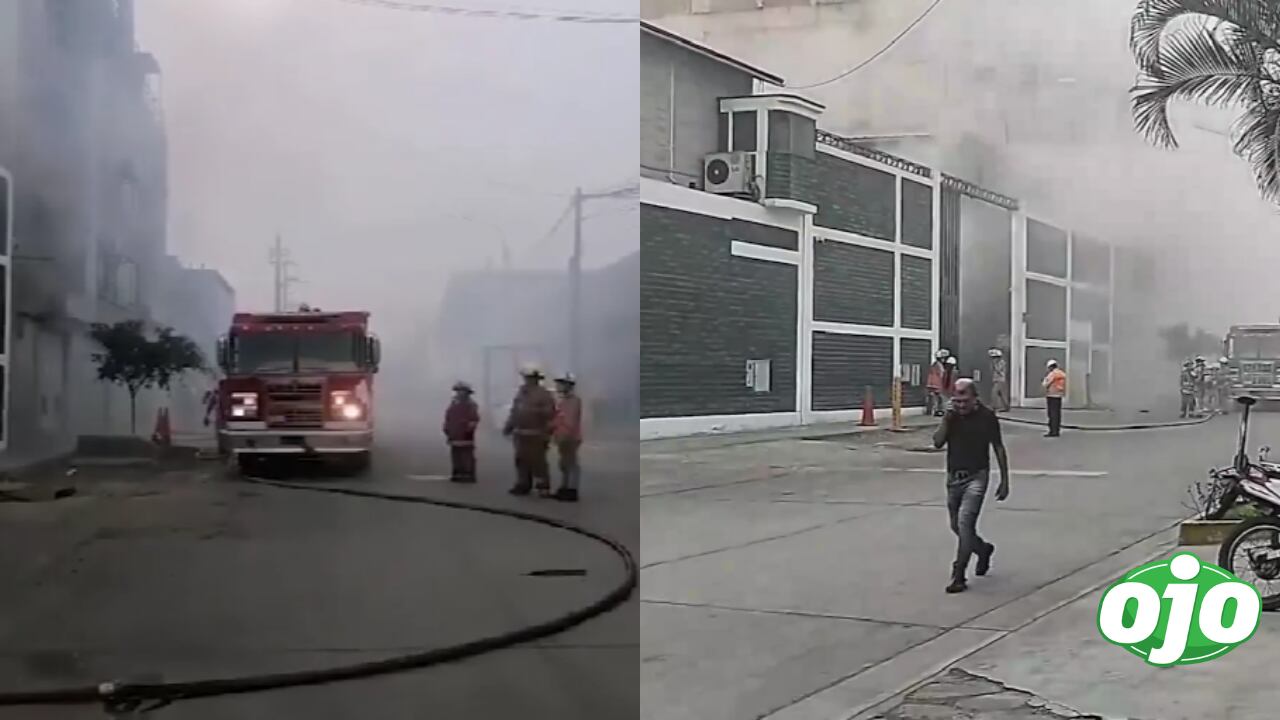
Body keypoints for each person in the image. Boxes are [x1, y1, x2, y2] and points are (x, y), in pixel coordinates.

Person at [932, 378, 1010, 594]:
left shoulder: (987, 417)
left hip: (977, 477)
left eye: (964, 400)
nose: (961, 405)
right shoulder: (952, 417)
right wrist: (947, 419)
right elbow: (937, 442)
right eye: (956, 401)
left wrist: (1004, 480)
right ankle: (983, 549)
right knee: (956, 526)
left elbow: (999, 448)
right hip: (953, 478)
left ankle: (958, 574)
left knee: (965, 525)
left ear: (975, 398)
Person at [503, 365, 557, 497]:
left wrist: (547, 434)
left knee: (538, 462)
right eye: (526, 378)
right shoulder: (521, 393)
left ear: (537, 379)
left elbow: (551, 415)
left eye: (530, 378)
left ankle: (543, 486)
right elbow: (514, 412)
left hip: (537, 434)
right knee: (521, 460)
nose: (527, 380)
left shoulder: (544, 394)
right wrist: (508, 426)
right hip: (520, 434)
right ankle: (523, 484)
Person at [552, 372, 583, 502]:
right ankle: (564, 487)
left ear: (568, 385)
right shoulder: (565, 400)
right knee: (564, 463)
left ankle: (571, 490)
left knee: (571, 463)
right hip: (563, 436)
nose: (558, 387)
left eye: (561, 384)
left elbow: (569, 422)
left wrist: (563, 435)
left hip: (570, 437)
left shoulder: (573, 401)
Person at [443, 381, 480, 483]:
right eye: (458, 391)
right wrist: (447, 429)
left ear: (467, 393)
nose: (459, 393)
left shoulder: (471, 405)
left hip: (465, 435)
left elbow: (474, 419)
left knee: (467, 455)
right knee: (456, 454)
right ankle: (458, 473)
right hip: (454, 434)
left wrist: (469, 429)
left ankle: (468, 474)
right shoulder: (453, 403)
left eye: (461, 391)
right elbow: (448, 417)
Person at [1042, 359, 1066, 437]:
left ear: (1050, 367)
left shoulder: (1052, 374)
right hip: (1059, 395)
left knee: (1052, 414)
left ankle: (1052, 431)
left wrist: (1045, 380)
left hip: (1051, 395)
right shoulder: (1061, 373)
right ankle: (1057, 430)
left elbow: (1045, 384)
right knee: (1057, 414)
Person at [925, 349, 950, 417]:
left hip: (932, 384)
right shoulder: (939, 365)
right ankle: (940, 411)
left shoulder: (934, 364)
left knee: (934, 398)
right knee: (941, 398)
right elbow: (942, 374)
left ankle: (933, 411)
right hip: (937, 384)